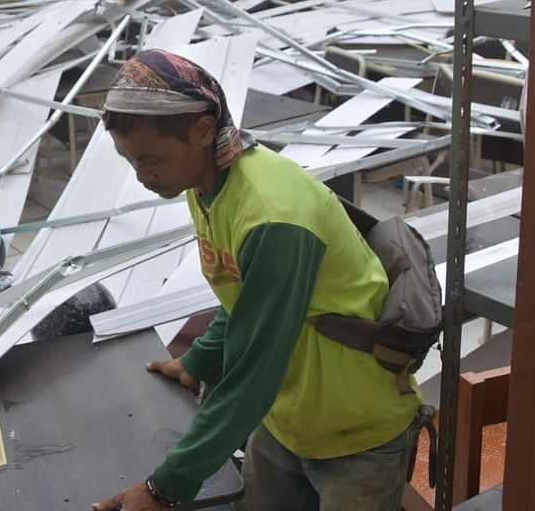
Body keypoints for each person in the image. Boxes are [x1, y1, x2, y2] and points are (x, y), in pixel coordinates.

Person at [91, 50, 424, 511]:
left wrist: (164, 489)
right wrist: (199, 361)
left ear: (204, 131)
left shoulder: (272, 216)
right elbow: (242, 296)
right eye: (129, 161)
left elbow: (253, 371)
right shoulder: (205, 186)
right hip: (287, 417)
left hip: (355, 431)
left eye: (152, 159)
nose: (143, 176)